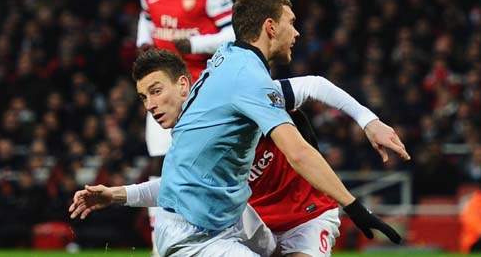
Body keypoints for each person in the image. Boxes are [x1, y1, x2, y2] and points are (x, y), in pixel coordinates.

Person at [70, 49, 408, 256]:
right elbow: (175, 188)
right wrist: (115, 195)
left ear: (184, 85)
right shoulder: (187, 142)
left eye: (156, 91)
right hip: (254, 225)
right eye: (144, 98)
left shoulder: (234, 98)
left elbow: (314, 86)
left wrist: (368, 120)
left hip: (305, 213)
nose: (151, 105)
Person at [136, 0, 236, 255]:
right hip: (162, 92)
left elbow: (232, 36)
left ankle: (221, 237)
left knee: (202, 165)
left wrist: (193, 43)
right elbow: (146, 19)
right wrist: (142, 44)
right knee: (160, 164)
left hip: (201, 90)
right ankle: (159, 244)